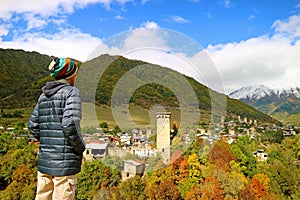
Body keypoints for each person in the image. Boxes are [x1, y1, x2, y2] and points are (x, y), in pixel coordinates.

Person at [28, 57, 86, 200]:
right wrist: (80, 147)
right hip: (64, 165)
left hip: (44, 162)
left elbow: (33, 126)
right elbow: (70, 124)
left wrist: (49, 142)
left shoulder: (43, 96)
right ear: (70, 74)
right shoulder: (72, 92)